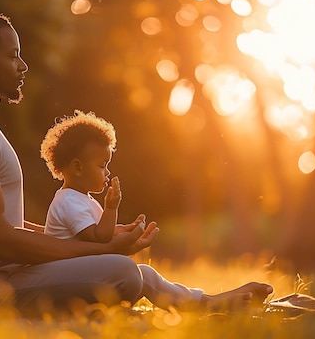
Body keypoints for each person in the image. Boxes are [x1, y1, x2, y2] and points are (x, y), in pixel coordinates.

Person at [0, 11, 272, 318]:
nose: (23, 66)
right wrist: (103, 248)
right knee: (121, 271)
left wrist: (103, 241)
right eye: (13, 56)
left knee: (127, 269)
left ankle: (204, 302)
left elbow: (6, 225)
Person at [39, 110, 274, 311]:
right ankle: (207, 303)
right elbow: (98, 238)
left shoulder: (82, 199)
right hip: (70, 278)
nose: (107, 172)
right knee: (131, 270)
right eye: (102, 166)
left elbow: (101, 233)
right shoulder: (69, 201)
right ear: (77, 167)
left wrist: (125, 231)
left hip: (86, 271)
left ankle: (206, 301)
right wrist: (112, 207)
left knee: (148, 274)